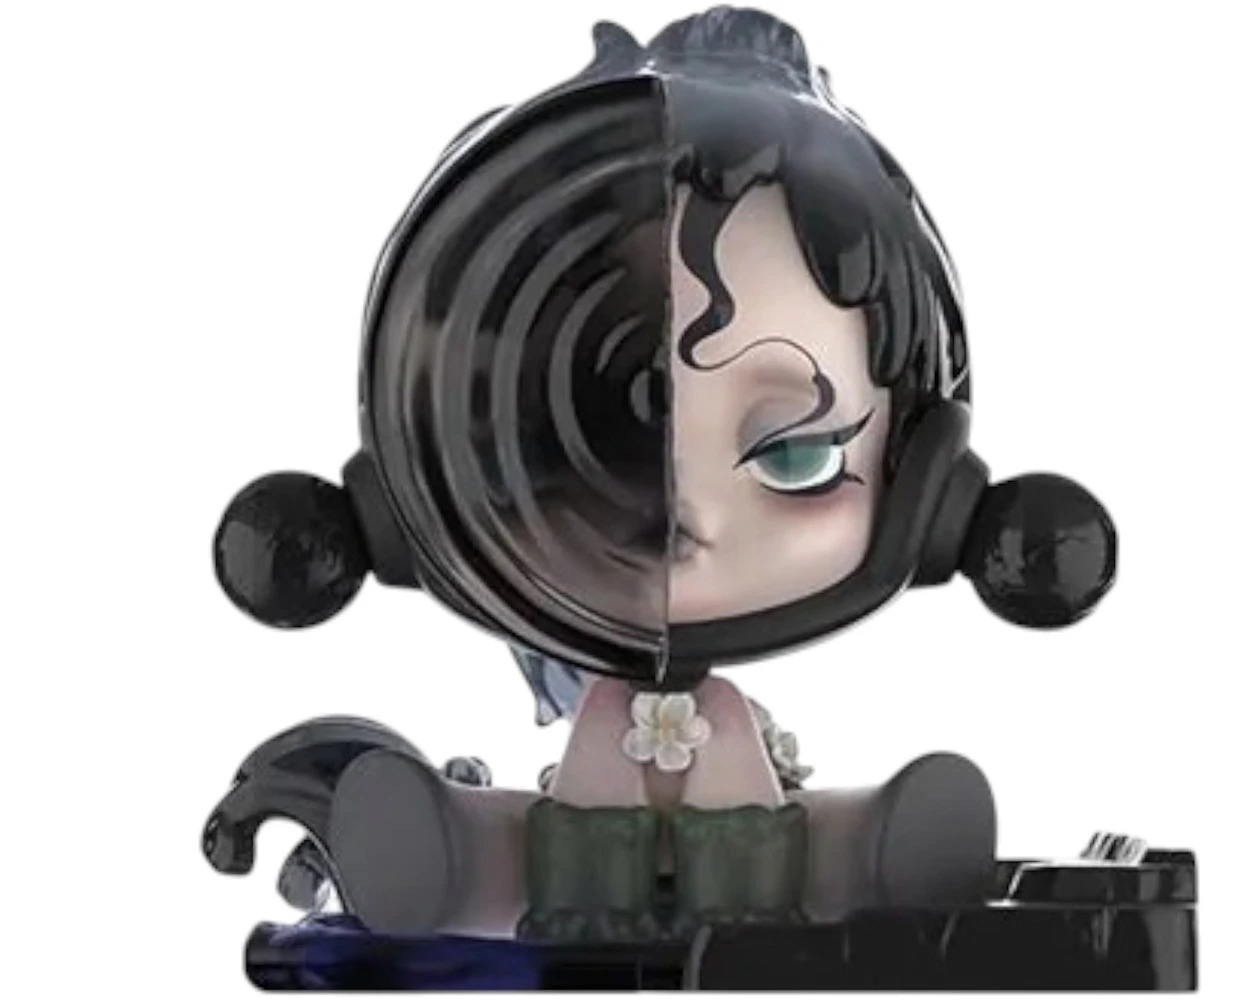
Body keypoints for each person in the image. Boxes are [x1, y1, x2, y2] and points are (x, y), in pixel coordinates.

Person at [204, 7, 1117, 943]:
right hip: (569, 865)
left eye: (795, 453)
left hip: (760, 868)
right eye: (581, 445)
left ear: (928, 489)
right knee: (556, 833)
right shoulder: (594, 699)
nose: (686, 516)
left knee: (783, 831)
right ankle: (463, 853)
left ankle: (868, 846)